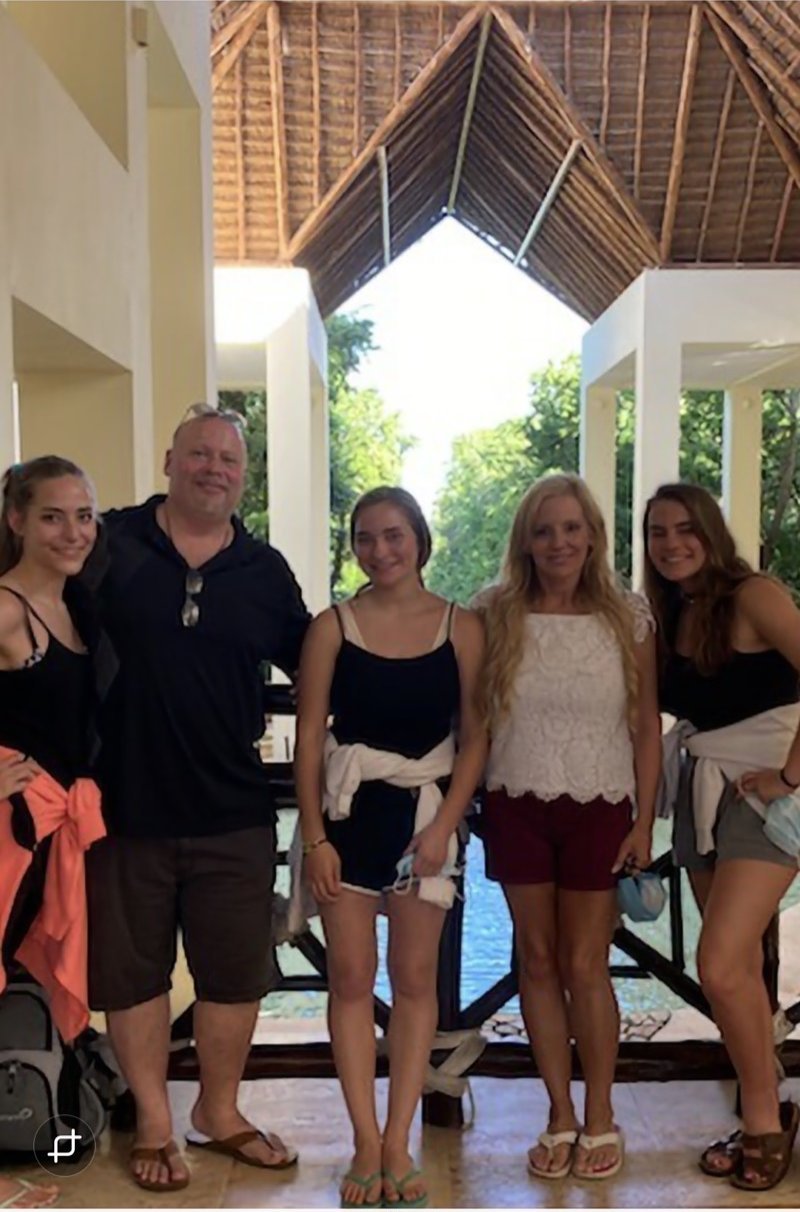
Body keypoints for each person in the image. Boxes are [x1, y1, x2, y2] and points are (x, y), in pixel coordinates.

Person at [85, 404, 310, 1193]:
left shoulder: (265, 571)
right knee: (132, 974)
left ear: (243, 478)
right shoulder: (105, 544)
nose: (215, 468)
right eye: (200, 454)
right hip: (120, 809)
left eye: (230, 460)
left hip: (235, 811)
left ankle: (219, 1112)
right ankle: (153, 1118)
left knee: (235, 975)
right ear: (170, 462)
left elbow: (321, 661)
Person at [294, 486, 486, 1209]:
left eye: (394, 535)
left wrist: (442, 829)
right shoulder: (331, 627)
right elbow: (310, 739)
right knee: (348, 978)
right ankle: (363, 1140)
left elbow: (476, 737)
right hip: (349, 816)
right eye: (366, 538)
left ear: (420, 540)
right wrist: (314, 837)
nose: (380, 550)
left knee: (412, 983)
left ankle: (400, 1137)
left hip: (424, 819)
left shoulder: (460, 626)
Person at [477, 474, 661, 1182]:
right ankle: (558, 1111)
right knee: (537, 960)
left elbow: (646, 726)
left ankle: (602, 1113)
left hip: (601, 802)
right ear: (526, 538)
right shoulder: (494, 611)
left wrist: (645, 820)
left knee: (587, 963)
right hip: (515, 802)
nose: (559, 542)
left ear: (593, 535)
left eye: (571, 528)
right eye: (545, 529)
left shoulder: (629, 616)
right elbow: (473, 717)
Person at [644, 482, 800, 1193]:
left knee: (719, 961)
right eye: (656, 532)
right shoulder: (669, 614)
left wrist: (792, 776)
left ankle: (766, 1121)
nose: (671, 543)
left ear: (710, 530)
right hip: (705, 792)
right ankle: (765, 1102)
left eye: (684, 529)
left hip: (765, 796)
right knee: (735, 972)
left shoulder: (754, 594)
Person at [0, 455, 103, 1212]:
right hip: (9, 829)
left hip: (53, 830)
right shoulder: (6, 609)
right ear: (16, 522)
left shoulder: (76, 607)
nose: (72, 531)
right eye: (52, 516)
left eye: (83, 515)